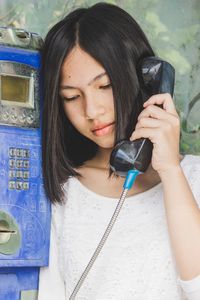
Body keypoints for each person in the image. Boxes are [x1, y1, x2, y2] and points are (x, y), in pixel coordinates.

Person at [38, 3, 200, 300]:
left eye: (105, 86)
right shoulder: (62, 192)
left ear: (145, 78)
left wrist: (170, 172)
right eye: (72, 97)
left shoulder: (194, 178)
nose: (92, 110)